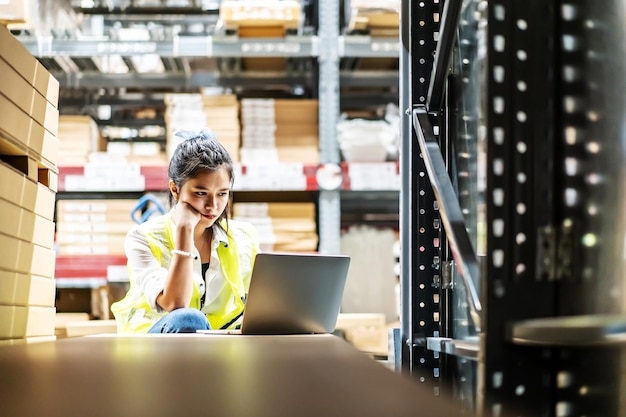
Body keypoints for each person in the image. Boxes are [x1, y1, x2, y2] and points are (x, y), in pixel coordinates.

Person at [111, 128, 260, 333]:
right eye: (201, 193)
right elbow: (175, 304)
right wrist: (184, 231)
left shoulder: (245, 236)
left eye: (222, 194)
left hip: (219, 343)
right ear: (175, 189)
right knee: (188, 319)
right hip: (153, 348)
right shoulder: (142, 238)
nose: (213, 206)